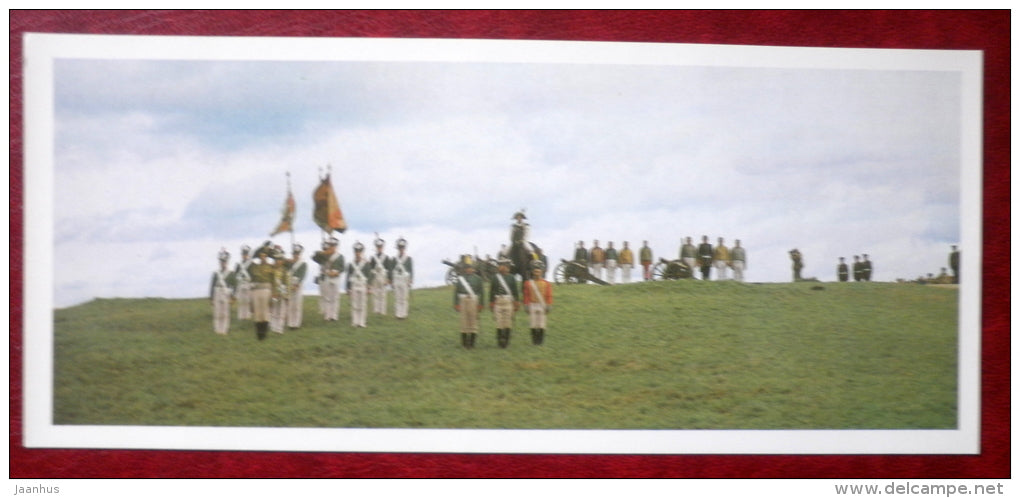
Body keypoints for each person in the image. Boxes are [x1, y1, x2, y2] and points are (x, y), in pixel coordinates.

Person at [453, 256, 485, 349]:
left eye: (470, 268)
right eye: (467, 268)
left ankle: (471, 343)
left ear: (473, 269)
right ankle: (464, 343)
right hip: (463, 300)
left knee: (473, 321)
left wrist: (481, 304)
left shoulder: (478, 279)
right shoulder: (460, 279)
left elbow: (481, 292)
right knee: (464, 321)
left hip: (473, 300)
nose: (469, 269)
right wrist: (456, 304)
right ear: (464, 269)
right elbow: (456, 292)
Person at [489, 257, 519, 348]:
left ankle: (506, 341)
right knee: (499, 322)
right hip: (498, 300)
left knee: (507, 322)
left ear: (508, 267)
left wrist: (516, 303)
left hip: (508, 300)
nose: (502, 267)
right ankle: (500, 341)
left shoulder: (511, 278)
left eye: (504, 266)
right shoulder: (495, 278)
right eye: (500, 265)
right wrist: (491, 303)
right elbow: (492, 291)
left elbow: (515, 291)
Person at [248, 242, 276, 340]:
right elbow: (251, 279)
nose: (263, 257)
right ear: (259, 257)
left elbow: (273, 281)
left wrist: (273, 294)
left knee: (265, 313)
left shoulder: (271, 267)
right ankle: (259, 334)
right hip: (256, 290)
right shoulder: (254, 267)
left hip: (267, 290)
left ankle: (264, 333)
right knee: (257, 313)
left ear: (267, 257)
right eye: (261, 256)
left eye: (264, 256)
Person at [522, 260, 553, 345]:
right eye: (535, 271)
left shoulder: (546, 284)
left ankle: (540, 340)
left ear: (542, 272)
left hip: (542, 305)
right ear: (532, 272)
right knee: (533, 323)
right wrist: (526, 305)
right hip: (532, 305)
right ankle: (534, 340)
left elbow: (548, 295)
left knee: (541, 323)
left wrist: (549, 305)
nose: (537, 273)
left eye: (538, 271)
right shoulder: (528, 283)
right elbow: (526, 295)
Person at [346, 242, 372, 328]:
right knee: (354, 304)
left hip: (362, 285)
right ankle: (355, 322)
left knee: (362, 304)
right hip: (354, 285)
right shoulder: (351, 264)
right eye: (356, 251)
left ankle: (362, 322)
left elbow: (369, 275)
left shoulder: (366, 264)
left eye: (359, 251)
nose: (358, 253)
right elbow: (348, 276)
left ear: (362, 252)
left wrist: (369, 287)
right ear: (354, 252)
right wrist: (348, 288)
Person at [210, 248, 234, 335]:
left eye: (224, 261)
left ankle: (224, 330)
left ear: (227, 262)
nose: (223, 263)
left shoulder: (230, 273)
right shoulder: (216, 273)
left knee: (225, 313)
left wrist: (232, 297)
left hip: (226, 293)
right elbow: (212, 286)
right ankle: (217, 330)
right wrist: (212, 298)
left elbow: (233, 285)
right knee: (217, 313)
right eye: (221, 261)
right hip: (217, 292)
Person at [268, 246, 290, 334]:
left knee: (282, 311)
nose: (278, 261)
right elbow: (269, 282)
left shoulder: (284, 271)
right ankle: (273, 327)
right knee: (273, 311)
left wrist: (286, 295)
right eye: (276, 259)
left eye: (279, 259)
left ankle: (279, 328)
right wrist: (272, 293)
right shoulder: (271, 270)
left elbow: (286, 283)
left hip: (282, 293)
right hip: (273, 293)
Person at [391, 237, 413, 319]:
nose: (401, 249)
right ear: (398, 248)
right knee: (397, 298)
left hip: (404, 279)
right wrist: (392, 281)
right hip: (396, 279)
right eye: (400, 247)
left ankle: (403, 314)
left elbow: (411, 270)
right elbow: (392, 270)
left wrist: (410, 280)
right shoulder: (394, 259)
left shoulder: (408, 259)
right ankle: (398, 314)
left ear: (404, 248)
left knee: (404, 298)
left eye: (402, 247)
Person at [286, 243, 308, 329]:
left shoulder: (303, 264)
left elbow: (302, 275)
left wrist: (297, 285)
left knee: (297, 305)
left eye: (297, 253)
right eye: (294, 253)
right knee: (290, 304)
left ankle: (296, 323)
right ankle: (290, 323)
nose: (295, 255)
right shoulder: (289, 263)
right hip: (289, 283)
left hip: (297, 284)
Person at [369, 235, 393, 316]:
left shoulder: (386, 257)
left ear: (383, 247)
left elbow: (389, 269)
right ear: (376, 247)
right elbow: (371, 269)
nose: (379, 248)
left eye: (380, 247)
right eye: (378, 247)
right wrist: (370, 281)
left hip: (383, 277)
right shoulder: (373, 258)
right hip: (375, 277)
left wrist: (389, 279)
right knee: (375, 294)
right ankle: (376, 310)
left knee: (383, 294)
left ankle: (382, 311)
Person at [233, 245, 253, 321]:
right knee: (241, 302)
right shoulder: (238, 265)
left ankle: (247, 317)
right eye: (243, 254)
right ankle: (241, 317)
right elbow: (235, 276)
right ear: (241, 255)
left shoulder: (251, 264)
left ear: (248, 255)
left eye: (246, 254)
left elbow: (253, 275)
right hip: (240, 284)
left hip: (248, 284)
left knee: (248, 301)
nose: (244, 256)